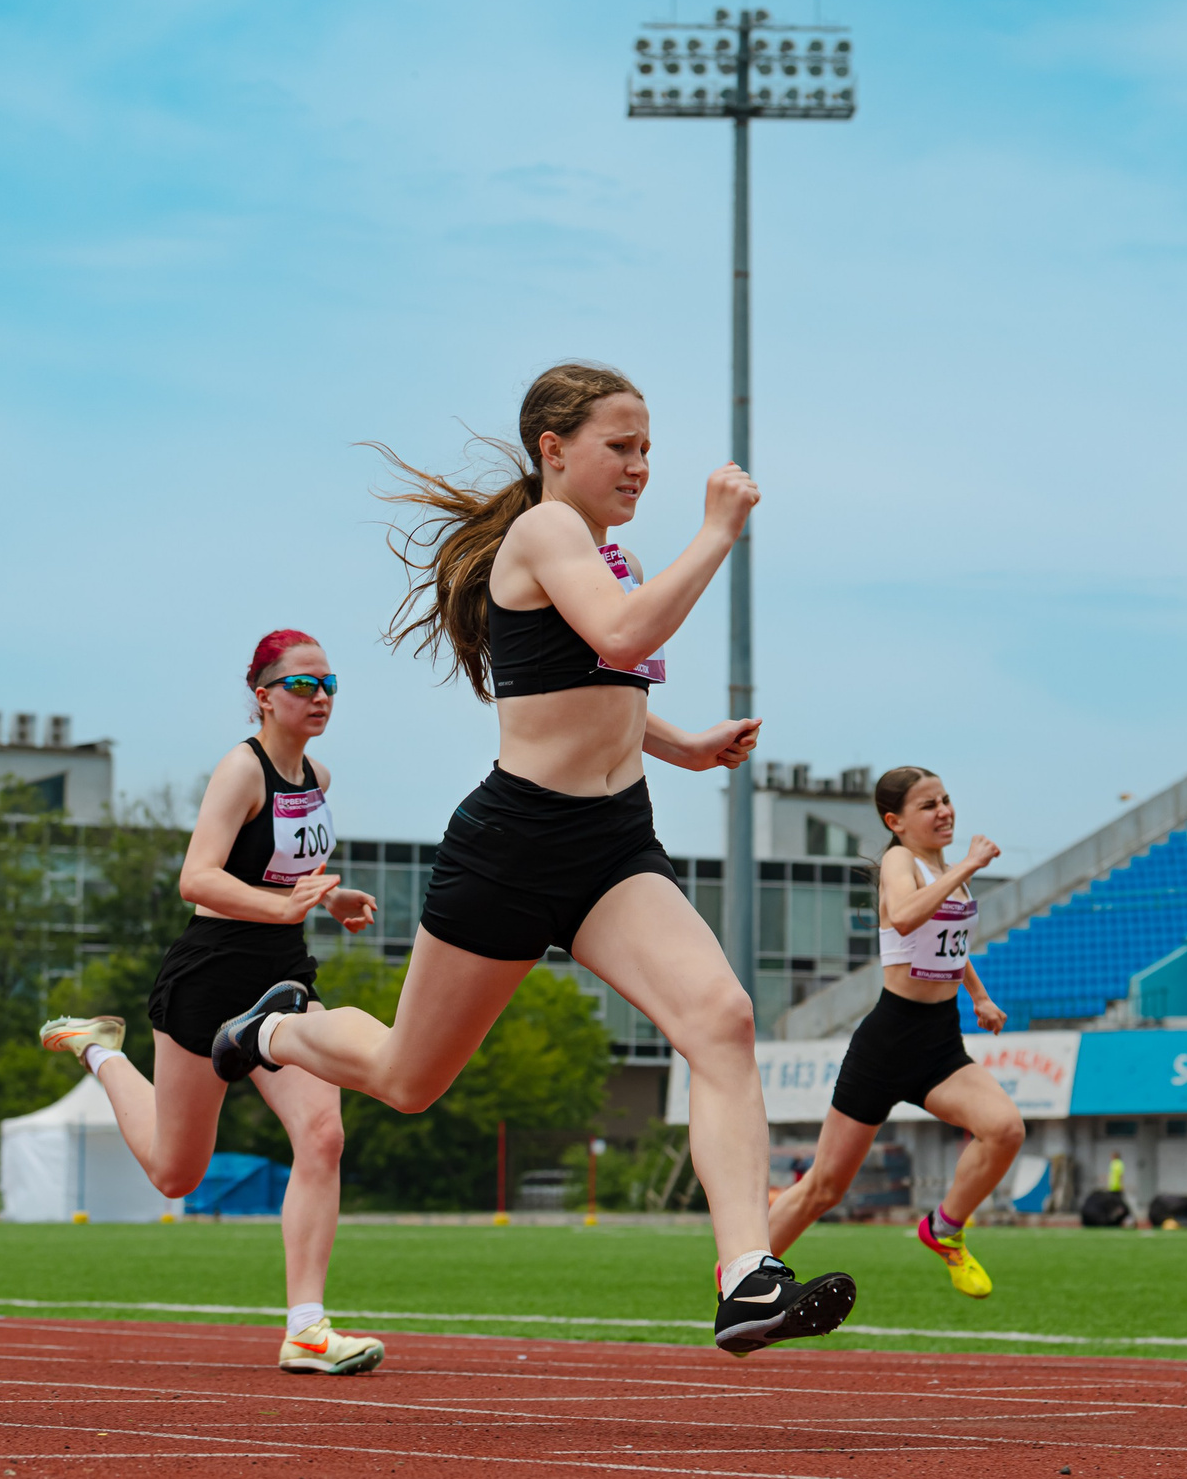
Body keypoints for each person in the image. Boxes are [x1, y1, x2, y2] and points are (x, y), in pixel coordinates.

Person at [209, 362, 855, 1357]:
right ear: (553, 451)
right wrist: (719, 530)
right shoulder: (546, 532)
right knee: (406, 1078)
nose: (641, 465)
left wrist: (683, 746)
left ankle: (745, 1277)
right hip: (515, 843)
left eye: (648, 448)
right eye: (621, 446)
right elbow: (620, 634)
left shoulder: (608, 553)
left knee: (720, 1019)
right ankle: (279, 1031)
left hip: (612, 845)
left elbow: (601, 688)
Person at [41, 630, 388, 1373]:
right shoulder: (241, 770)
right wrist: (284, 907)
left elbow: (290, 869)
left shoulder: (316, 775)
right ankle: (98, 1048)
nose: (320, 695)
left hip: (285, 982)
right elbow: (197, 878)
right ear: (263, 695)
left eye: (329, 682)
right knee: (177, 1173)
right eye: (301, 684)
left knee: (322, 1135)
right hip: (211, 976)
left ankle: (307, 1325)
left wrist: (332, 898)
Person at [765, 767, 1025, 1297]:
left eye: (947, 799)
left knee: (1005, 1129)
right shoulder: (899, 861)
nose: (944, 811)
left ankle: (944, 1229)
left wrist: (978, 994)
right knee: (825, 1187)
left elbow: (947, 941)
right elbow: (906, 917)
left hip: (939, 1041)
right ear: (896, 821)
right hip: (889, 1041)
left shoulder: (947, 869)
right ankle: (745, 1274)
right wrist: (970, 864)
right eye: (928, 805)